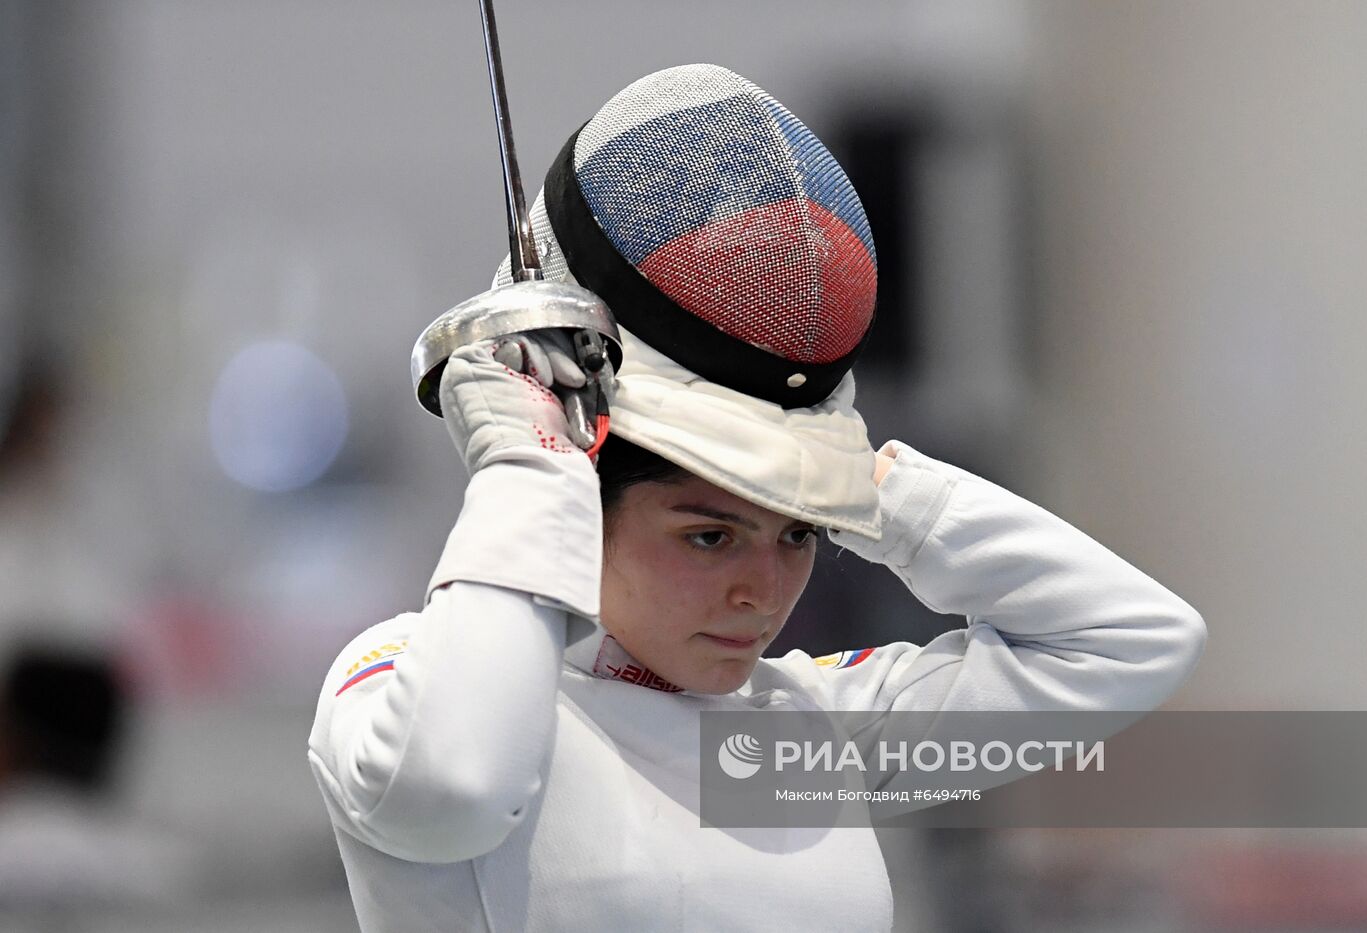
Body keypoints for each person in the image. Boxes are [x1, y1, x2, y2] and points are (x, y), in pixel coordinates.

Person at [308, 64, 1206, 932]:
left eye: (798, 533)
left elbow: (1130, 640)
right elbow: (456, 787)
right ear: (583, 500)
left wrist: (856, 476)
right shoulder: (408, 677)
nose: (765, 591)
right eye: (709, 536)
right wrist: (532, 460)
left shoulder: (787, 740)